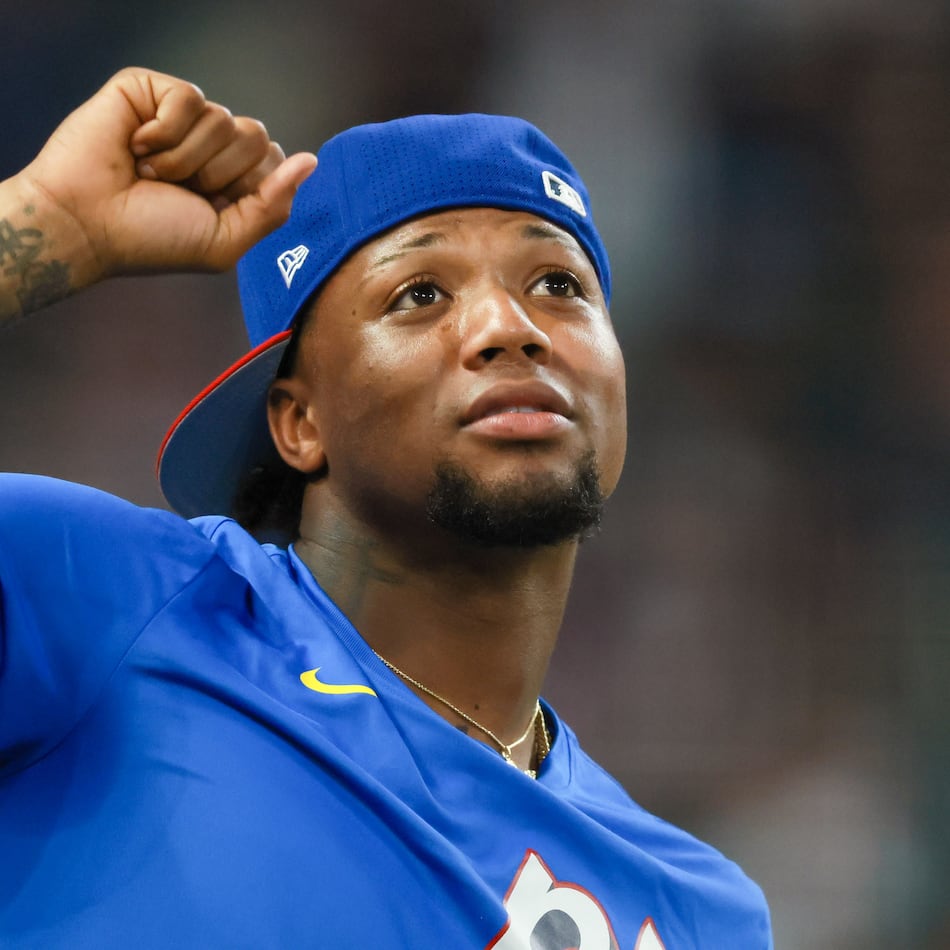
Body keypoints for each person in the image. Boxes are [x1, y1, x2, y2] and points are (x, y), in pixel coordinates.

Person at [0, 68, 772, 948]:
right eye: (421, 295)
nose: (510, 326)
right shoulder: (103, 604)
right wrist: (35, 229)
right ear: (298, 422)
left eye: (559, 284)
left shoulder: (700, 911)